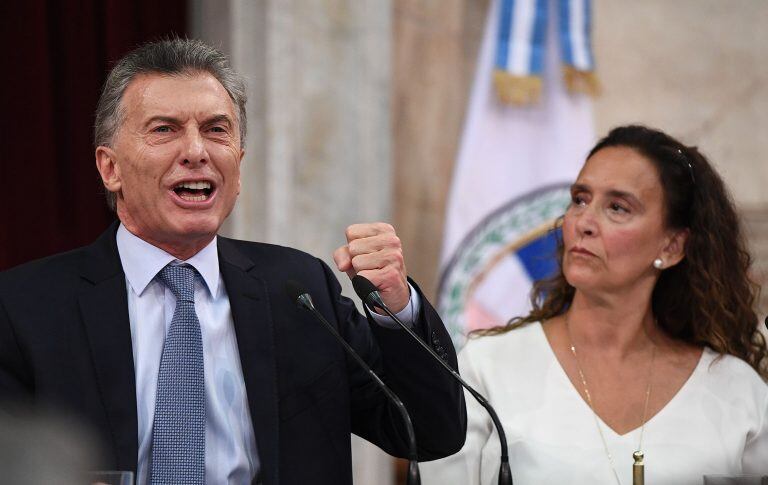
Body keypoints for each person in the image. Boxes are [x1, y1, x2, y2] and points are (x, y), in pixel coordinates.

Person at [0, 38, 466, 485]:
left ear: (238, 164)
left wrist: (397, 309)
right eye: (164, 129)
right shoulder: (27, 309)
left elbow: (428, 432)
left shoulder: (301, 292)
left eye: (216, 130)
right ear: (110, 168)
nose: (197, 152)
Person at [421, 125, 768, 485]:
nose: (583, 222)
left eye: (617, 207)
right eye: (580, 199)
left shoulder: (737, 392)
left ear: (672, 246)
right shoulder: (486, 367)